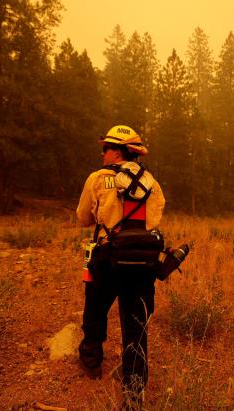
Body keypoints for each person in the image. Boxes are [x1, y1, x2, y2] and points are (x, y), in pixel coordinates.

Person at [76, 125, 165, 407]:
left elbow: (83, 219)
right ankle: (134, 391)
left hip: (106, 257)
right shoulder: (152, 181)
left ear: (117, 151)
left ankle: (91, 363)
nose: (102, 153)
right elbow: (154, 221)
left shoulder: (98, 178)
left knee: (95, 309)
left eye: (105, 148)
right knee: (136, 325)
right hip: (142, 261)